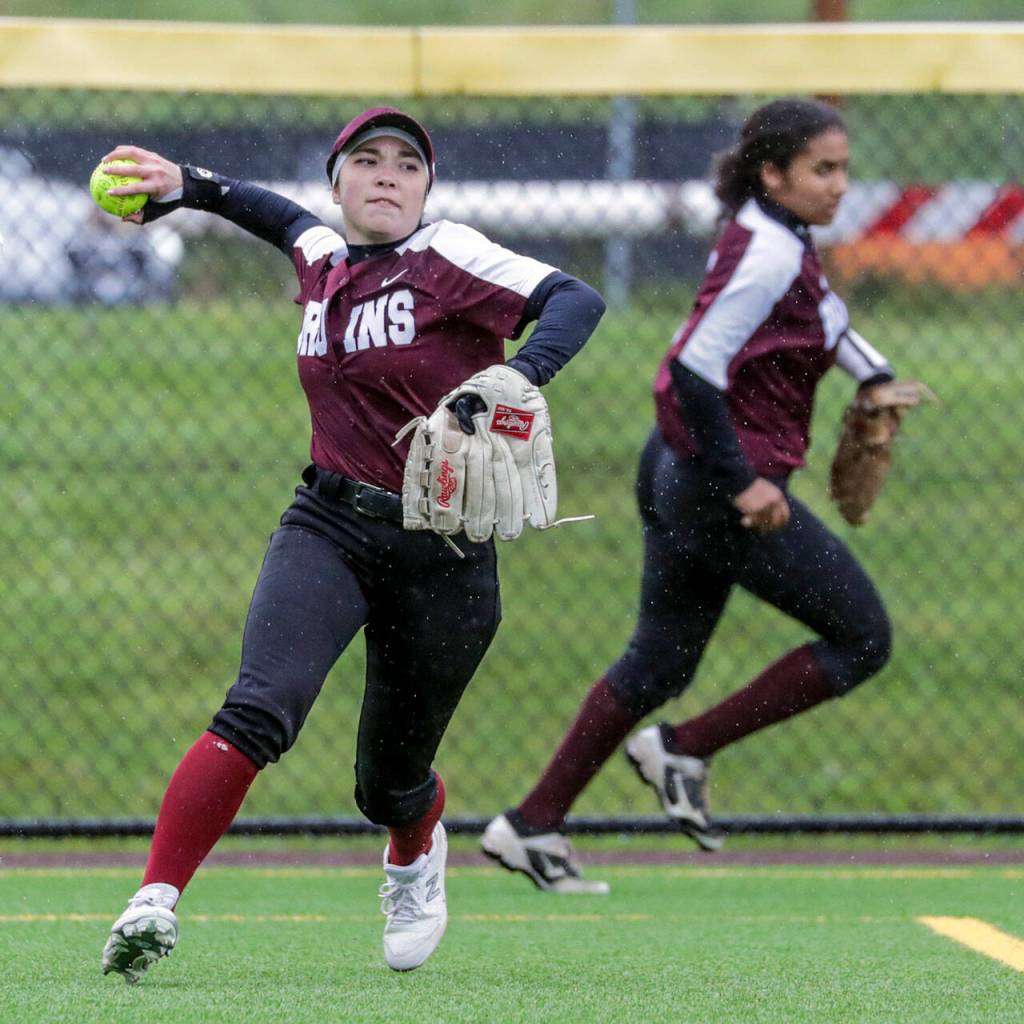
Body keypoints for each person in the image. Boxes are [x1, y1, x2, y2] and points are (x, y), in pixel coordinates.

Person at [98, 107, 605, 980]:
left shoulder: (448, 256)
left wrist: (515, 375)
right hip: (327, 526)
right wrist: (190, 187)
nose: (386, 176)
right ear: (336, 184)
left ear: (426, 189)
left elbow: (574, 298)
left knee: (388, 781)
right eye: (365, 161)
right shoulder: (323, 260)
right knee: (260, 705)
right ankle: (155, 900)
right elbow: (277, 218)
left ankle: (414, 847)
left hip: (443, 549)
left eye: (407, 165)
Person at [483, 98, 900, 893]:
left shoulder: (773, 234)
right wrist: (744, 480)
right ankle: (686, 747)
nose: (840, 184)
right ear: (773, 174)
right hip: (716, 480)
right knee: (862, 639)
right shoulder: (771, 251)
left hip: (676, 464)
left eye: (844, 167)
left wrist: (872, 373)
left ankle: (531, 825)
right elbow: (692, 370)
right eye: (824, 168)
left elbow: (827, 319)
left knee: (658, 661)